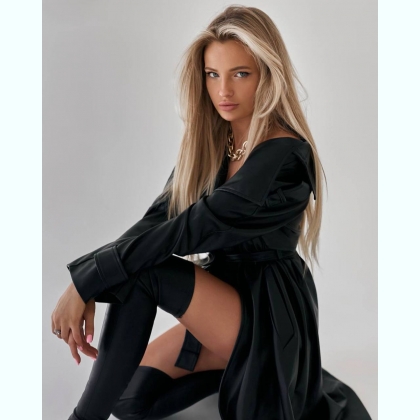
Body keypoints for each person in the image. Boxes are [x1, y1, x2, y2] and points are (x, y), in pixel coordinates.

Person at [51, 5, 372, 420]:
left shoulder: (285, 155)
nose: (224, 91)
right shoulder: (215, 145)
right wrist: (86, 283)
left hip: (266, 309)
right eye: (213, 74)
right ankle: (234, 367)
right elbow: (157, 220)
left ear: (267, 75)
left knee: (145, 271)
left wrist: (90, 279)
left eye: (241, 74)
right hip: (219, 297)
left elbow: (191, 228)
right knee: (127, 398)